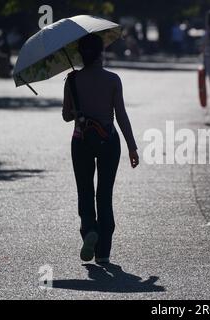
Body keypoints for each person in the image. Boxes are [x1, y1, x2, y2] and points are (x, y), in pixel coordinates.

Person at [62, 34, 139, 264]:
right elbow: (121, 115)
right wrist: (132, 147)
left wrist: (78, 111)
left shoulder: (72, 80)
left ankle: (89, 230)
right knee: (104, 194)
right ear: (100, 53)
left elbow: (66, 116)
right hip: (109, 140)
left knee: (84, 190)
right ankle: (103, 251)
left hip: (81, 140)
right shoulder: (113, 79)